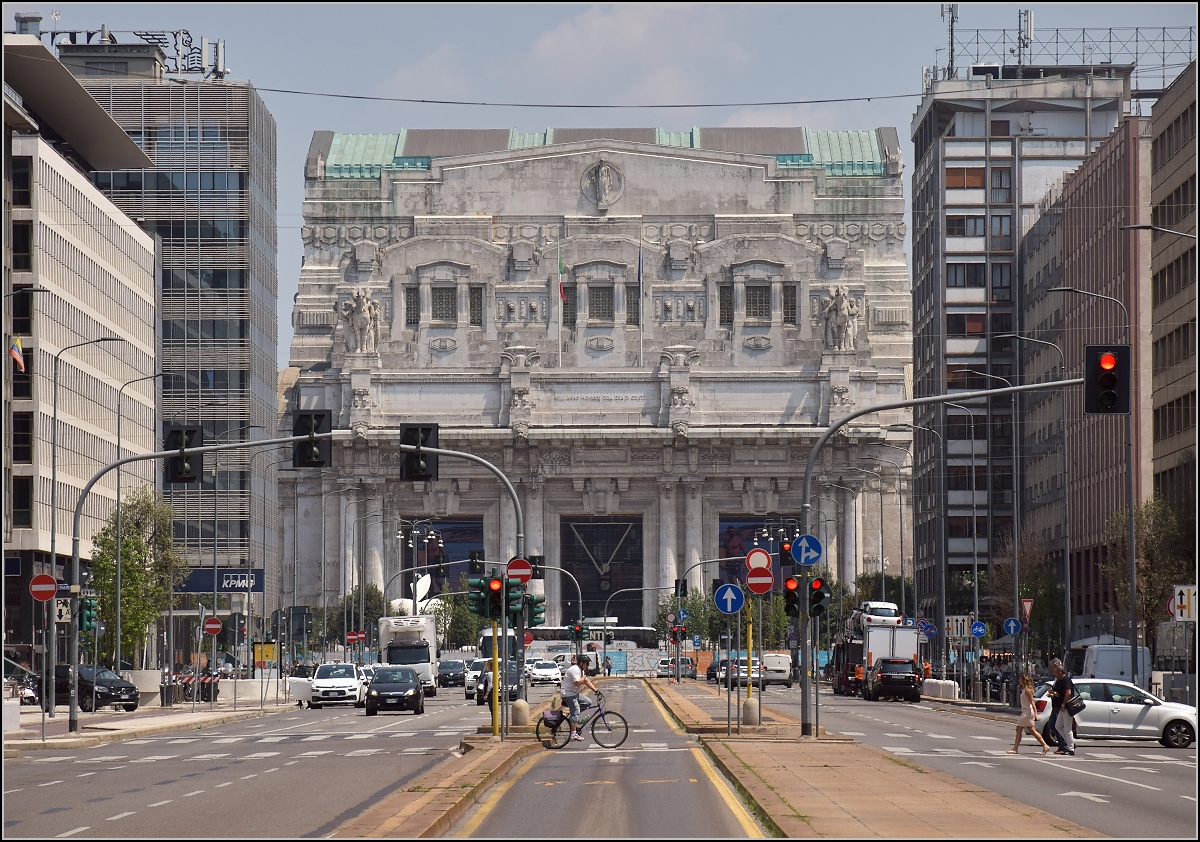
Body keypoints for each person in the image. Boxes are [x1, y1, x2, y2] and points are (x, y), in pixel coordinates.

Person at [1007, 674, 1053, 755]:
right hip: (1026, 711)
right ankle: (1045, 746)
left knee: (1019, 729)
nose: (1019, 680)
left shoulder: (1027, 691)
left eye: (1020, 679)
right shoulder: (1024, 689)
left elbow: (1032, 703)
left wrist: (1036, 714)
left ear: (1024, 680)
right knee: (1032, 730)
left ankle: (1015, 749)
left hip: (1027, 712)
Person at [561, 653, 599, 742]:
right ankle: (573, 735)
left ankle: (574, 718)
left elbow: (586, 681)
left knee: (588, 702)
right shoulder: (575, 669)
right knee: (576, 711)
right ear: (581, 663)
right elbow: (577, 683)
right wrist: (585, 675)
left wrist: (596, 691)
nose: (587, 666)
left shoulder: (581, 670)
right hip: (568, 694)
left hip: (574, 694)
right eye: (587, 664)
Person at [1046, 658, 1077, 756]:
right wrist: (1054, 694)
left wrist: (1063, 704)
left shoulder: (1066, 680)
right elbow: (1060, 694)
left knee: (1067, 729)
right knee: (1057, 726)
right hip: (1060, 707)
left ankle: (1070, 748)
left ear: (1059, 671)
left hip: (1066, 707)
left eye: (1054, 670)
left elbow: (1068, 693)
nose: (1053, 672)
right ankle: (1069, 743)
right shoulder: (1059, 680)